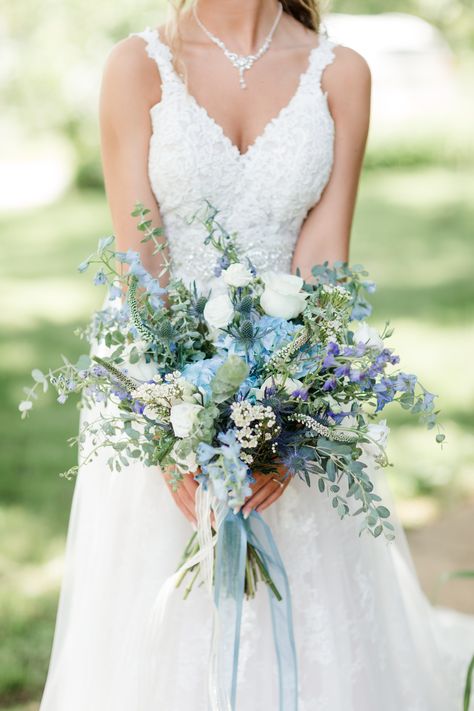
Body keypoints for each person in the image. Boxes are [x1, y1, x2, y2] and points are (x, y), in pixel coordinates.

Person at [39, 2, 473, 709]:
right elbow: (138, 270)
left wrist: (284, 426)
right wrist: (175, 432)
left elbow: (323, 270)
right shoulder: (138, 67)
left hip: (290, 400)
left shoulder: (342, 75)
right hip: (162, 398)